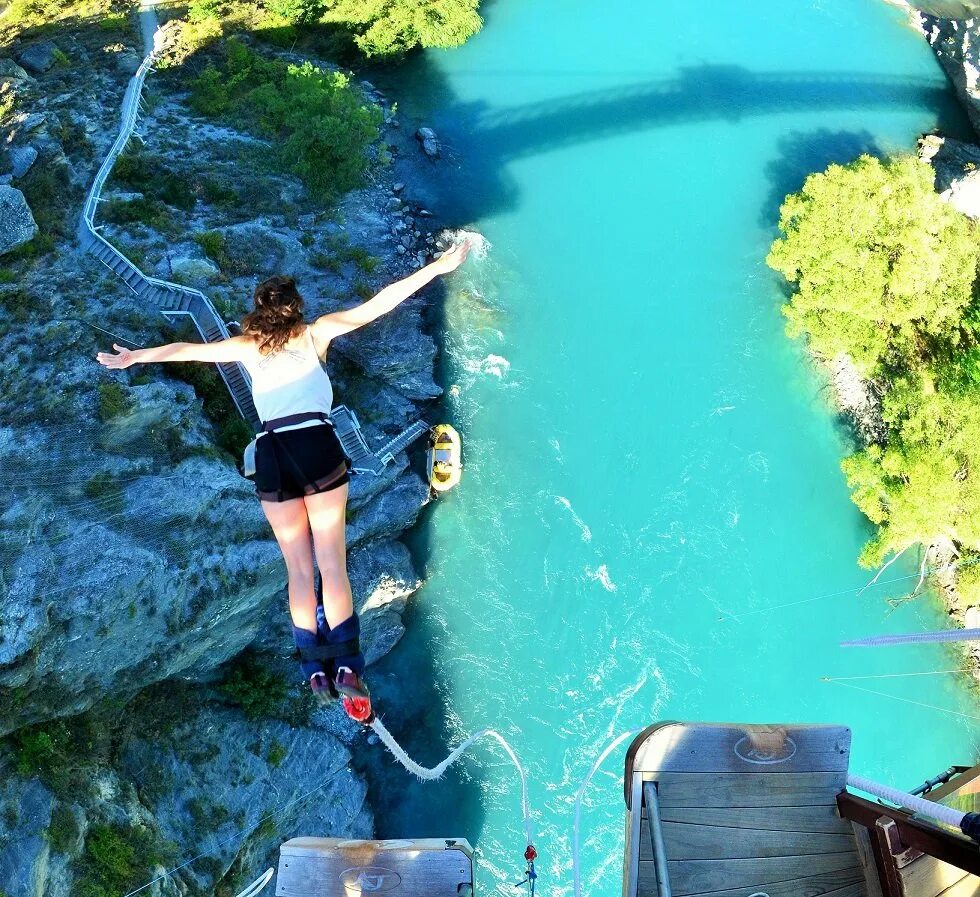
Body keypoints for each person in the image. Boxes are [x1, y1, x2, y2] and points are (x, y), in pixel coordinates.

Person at [97, 241, 472, 722]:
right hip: (316, 446)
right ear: (296, 310)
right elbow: (381, 302)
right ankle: (347, 666)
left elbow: (187, 350)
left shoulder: (244, 347)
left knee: (299, 569)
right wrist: (438, 267)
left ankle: (314, 669)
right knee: (331, 563)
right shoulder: (317, 335)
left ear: (258, 312)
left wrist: (135, 359)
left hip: (272, 453)